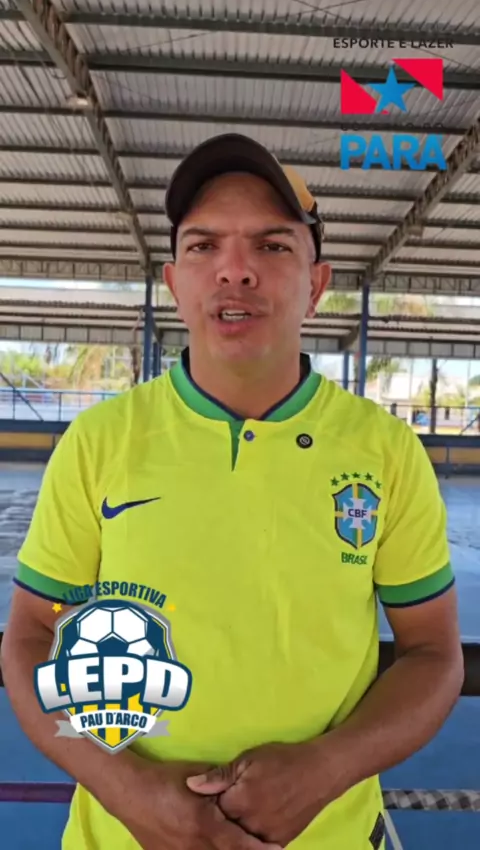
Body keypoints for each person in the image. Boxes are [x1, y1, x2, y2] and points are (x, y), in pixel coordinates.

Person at [1, 133, 463, 850]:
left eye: (272, 246)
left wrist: (327, 768)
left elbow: (433, 652)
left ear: (316, 284)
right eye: (204, 246)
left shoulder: (386, 452)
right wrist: (128, 790)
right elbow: (32, 633)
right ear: (174, 282)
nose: (235, 270)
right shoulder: (100, 442)